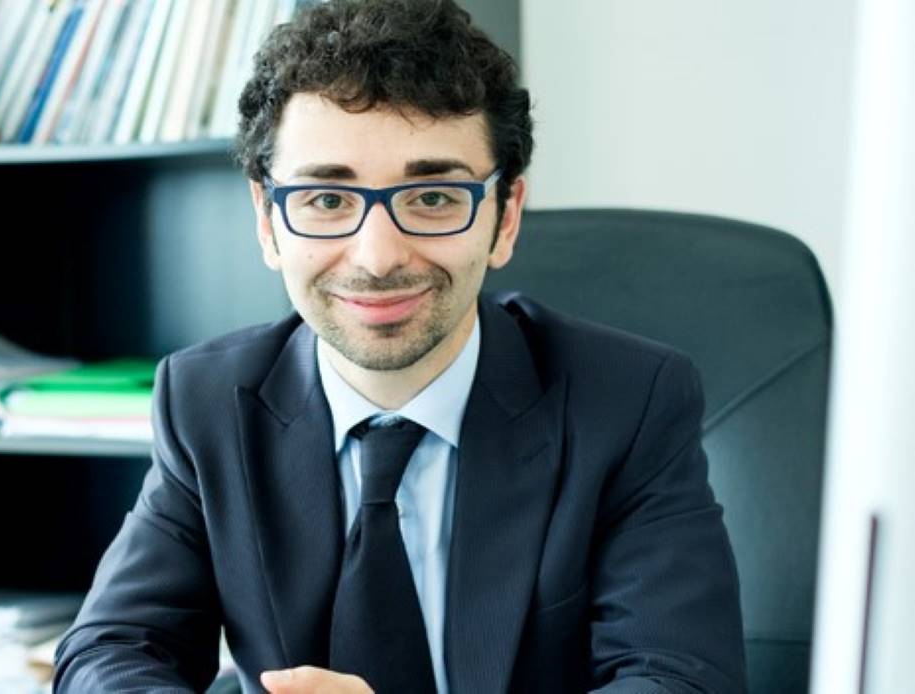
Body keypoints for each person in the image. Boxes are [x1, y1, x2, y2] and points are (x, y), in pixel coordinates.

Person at [54, 1, 746, 692]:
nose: (378, 256)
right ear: (267, 222)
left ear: (504, 218)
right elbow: (108, 650)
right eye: (327, 200)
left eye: (433, 198)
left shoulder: (628, 402)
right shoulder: (207, 401)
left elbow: (679, 679)